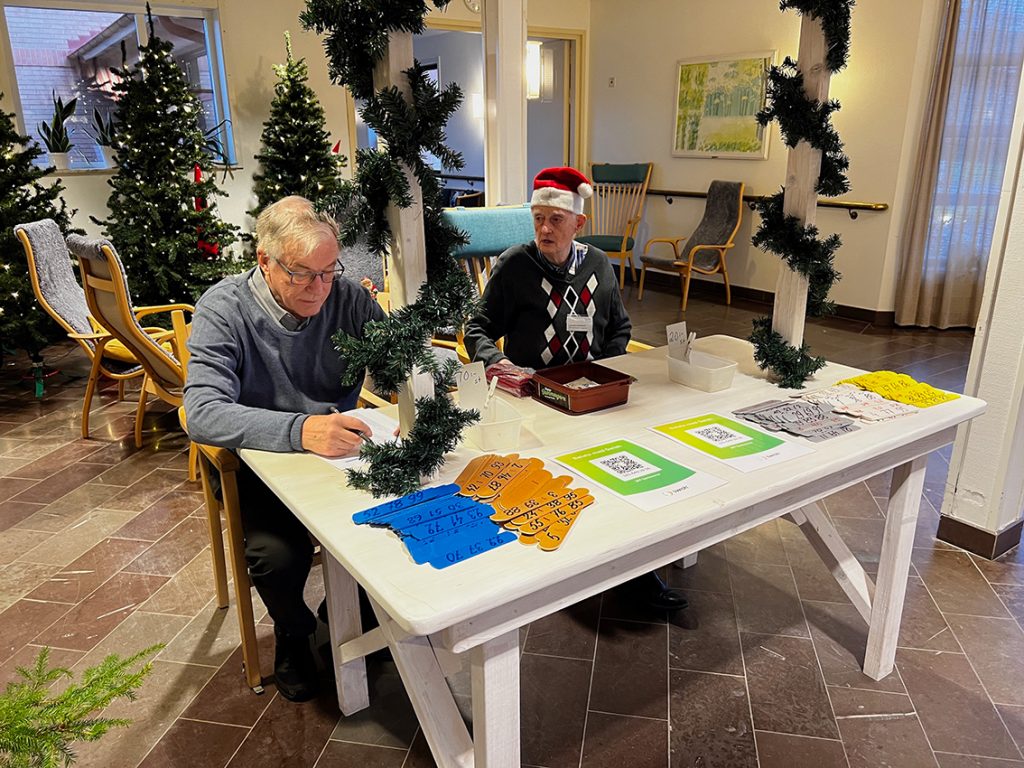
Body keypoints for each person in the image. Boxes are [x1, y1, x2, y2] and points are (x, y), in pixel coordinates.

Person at [184, 195, 386, 702]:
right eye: (302, 274)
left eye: (329, 271)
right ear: (264, 261)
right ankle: (295, 631)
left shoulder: (347, 297)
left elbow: (397, 361)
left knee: (396, 519)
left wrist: (427, 380)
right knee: (277, 556)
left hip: (338, 456)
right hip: (255, 463)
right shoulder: (223, 308)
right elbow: (202, 412)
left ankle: (350, 616)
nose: (320, 288)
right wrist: (301, 430)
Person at [464, 166, 689, 614]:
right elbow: (477, 328)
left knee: (630, 466)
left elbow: (619, 327)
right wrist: (498, 363)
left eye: (556, 220)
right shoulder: (516, 265)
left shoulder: (598, 265)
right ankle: (566, 565)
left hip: (593, 395)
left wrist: (606, 369)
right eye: (538, 219)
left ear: (578, 223)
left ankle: (636, 569)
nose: (545, 230)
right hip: (537, 397)